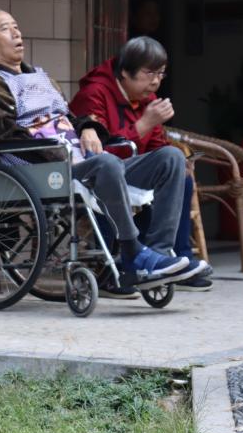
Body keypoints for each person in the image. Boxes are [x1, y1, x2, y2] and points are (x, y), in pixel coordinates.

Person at [0, 8, 205, 292]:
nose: (16, 33)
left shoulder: (43, 78)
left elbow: (70, 118)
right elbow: (6, 137)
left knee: (171, 158)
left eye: (16, 26)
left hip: (81, 160)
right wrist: (58, 152)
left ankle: (159, 252)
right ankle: (132, 252)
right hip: (45, 168)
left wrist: (89, 127)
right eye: (5, 28)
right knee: (106, 163)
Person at [70, 36, 213, 291]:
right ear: (125, 72)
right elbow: (99, 155)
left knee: (176, 163)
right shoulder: (94, 93)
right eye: (150, 73)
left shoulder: (146, 96)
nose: (156, 81)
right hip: (97, 173)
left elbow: (157, 147)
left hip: (130, 170)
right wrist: (143, 124)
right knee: (110, 171)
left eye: (161, 73)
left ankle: (162, 256)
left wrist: (178, 161)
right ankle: (121, 266)